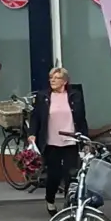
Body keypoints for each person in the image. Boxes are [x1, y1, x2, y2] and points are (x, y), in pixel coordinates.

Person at [31, 67, 83, 212]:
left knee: (70, 175)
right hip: (51, 142)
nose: (52, 80)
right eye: (51, 78)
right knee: (54, 175)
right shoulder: (43, 96)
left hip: (71, 141)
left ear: (64, 81)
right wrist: (32, 133)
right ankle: (50, 200)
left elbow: (81, 119)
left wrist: (84, 139)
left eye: (56, 78)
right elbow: (35, 117)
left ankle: (69, 205)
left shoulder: (75, 96)